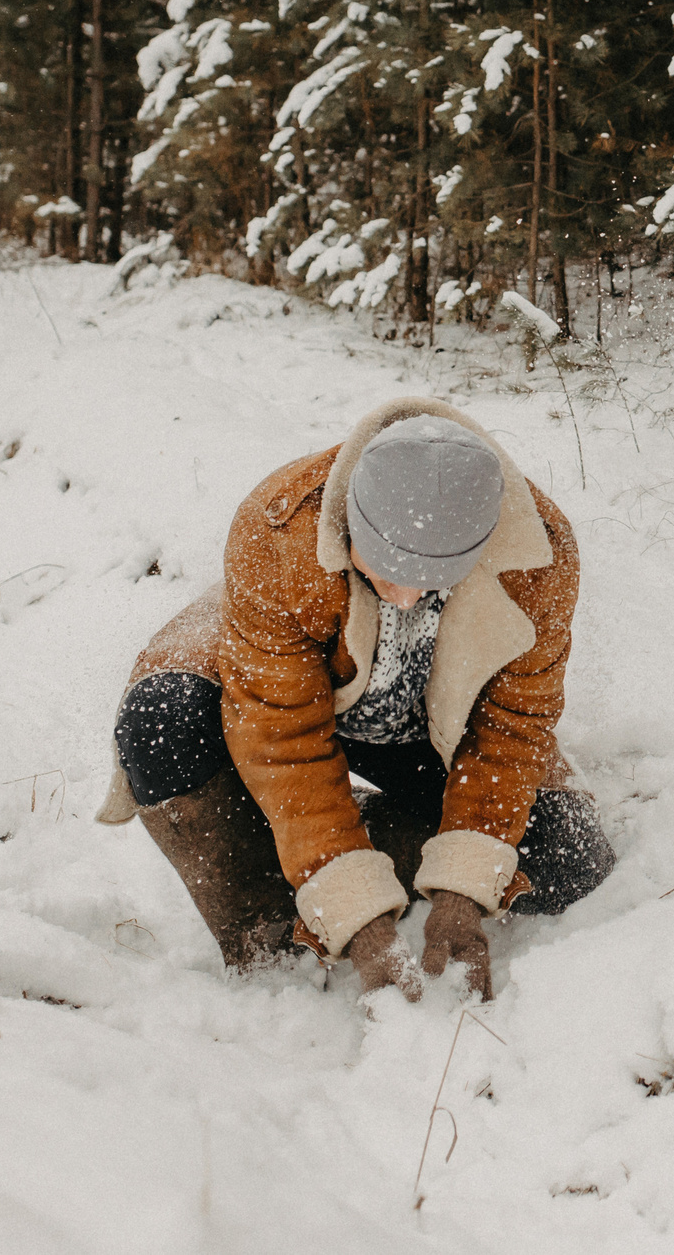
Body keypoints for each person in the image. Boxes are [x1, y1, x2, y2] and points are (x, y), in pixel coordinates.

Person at [94, 398, 615, 997]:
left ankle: (361, 841)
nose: (402, 598)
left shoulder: (539, 554)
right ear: (350, 523)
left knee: (569, 858)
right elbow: (283, 738)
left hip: (424, 724)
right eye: (385, 569)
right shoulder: (279, 528)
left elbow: (514, 725)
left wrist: (463, 886)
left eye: (431, 579)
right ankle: (274, 918)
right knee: (163, 724)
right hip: (281, 685)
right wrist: (356, 915)